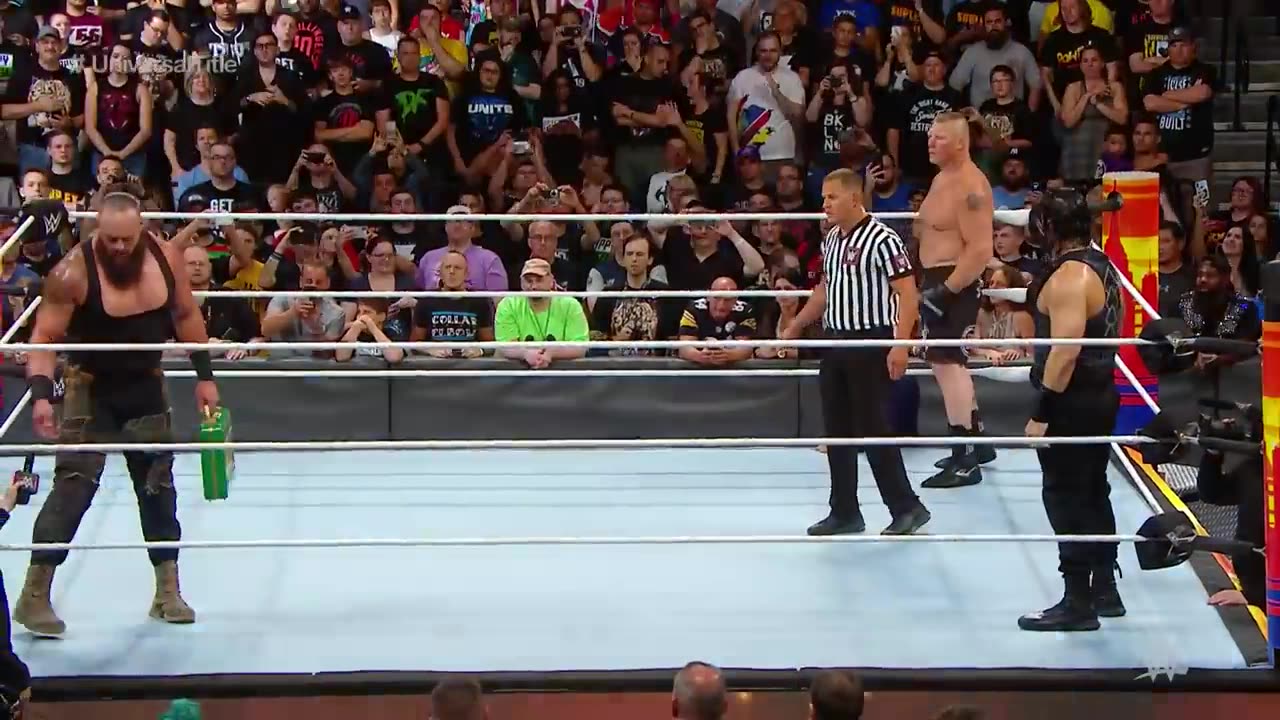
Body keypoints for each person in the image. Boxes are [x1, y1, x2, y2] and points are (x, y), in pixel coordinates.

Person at [15, 190, 220, 637]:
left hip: (145, 383)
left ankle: (167, 593)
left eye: (128, 239)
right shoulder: (73, 272)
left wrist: (205, 376)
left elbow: (186, 314)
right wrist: (42, 396)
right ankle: (34, 595)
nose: (121, 248)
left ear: (142, 228)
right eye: (111, 240)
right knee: (73, 488)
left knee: (158, 488)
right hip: (90, 388)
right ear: (98, 231)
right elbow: (44, 338)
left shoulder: (166, 258)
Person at [782, 169, 930, 537]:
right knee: (837, 429)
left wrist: (901, 345)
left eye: (832, 197)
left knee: (874, 427)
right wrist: (795, 326)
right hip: (835, 341)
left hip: (870, 341)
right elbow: (825, 289)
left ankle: (907, 507)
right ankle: (845, 511)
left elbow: (908, 295)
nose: (825, 204)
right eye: (823, 197)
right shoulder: (832, 238)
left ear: (853, 198)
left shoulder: (883, 239)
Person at [1019, 188, 1123, 632]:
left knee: (1064, 495)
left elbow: (1064, 352)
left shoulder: (1069, 277)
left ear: (1050, 226)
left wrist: (1042, 411)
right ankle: (1105, 589)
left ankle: (1078, 601)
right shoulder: (1101, 264)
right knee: (1093, 490)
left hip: (1071, 400)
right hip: (1098, 394)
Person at [915, 111, 996, 489]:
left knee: (949, 365)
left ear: (961, 143)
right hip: (938, 279)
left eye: (940, 137)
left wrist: (946, 290)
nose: (931, 142)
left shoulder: (970, 186)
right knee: (946, 363)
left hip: (955, 281)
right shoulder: (941, 177)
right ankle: (978, 443)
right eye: (930, 136)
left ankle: (964, 459)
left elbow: (980, 249)